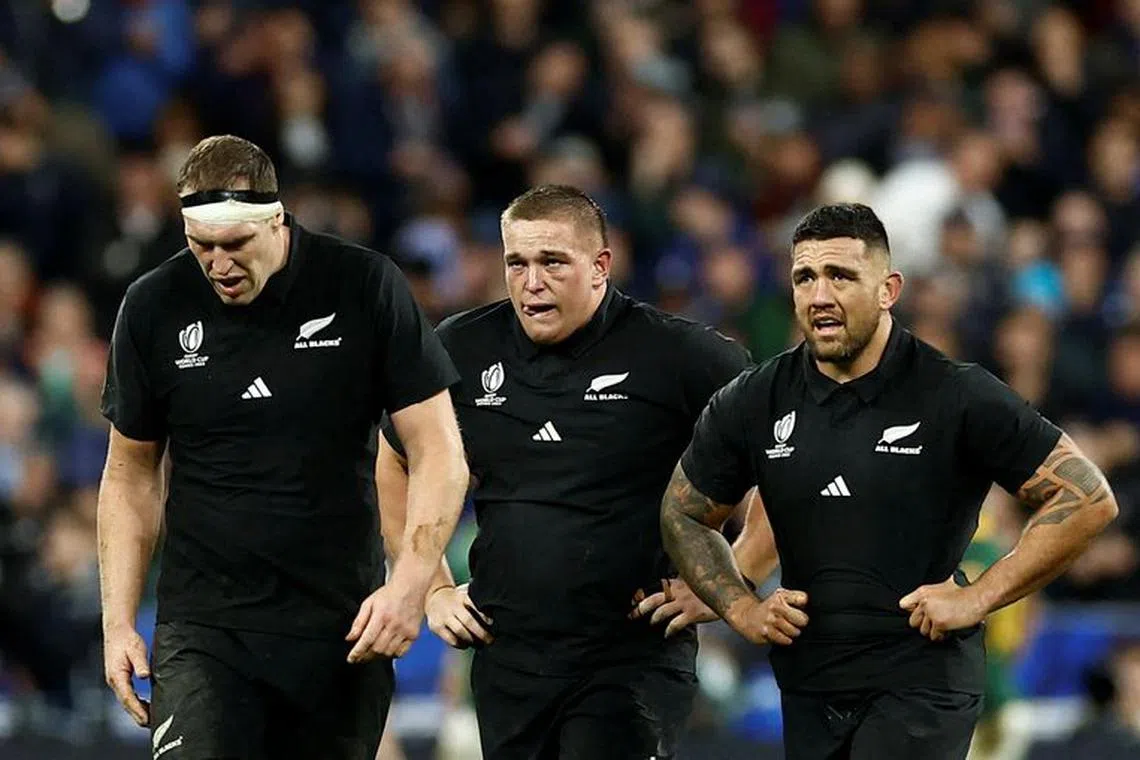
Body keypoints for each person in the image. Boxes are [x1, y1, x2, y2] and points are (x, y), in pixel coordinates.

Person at [660, 202, 1119, 760]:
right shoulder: (755, 399)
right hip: (809, 685)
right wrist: (739, 605)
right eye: (805, 277)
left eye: (840, 276)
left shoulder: (953, 393)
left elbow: (1086, 497)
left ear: (888, 289)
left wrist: (978, 597)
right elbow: (688, 511)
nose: (819, 295)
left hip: (921, 683)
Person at [97, 135, 468, 759]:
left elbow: (437, 451)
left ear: (277, 220)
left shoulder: (363, 286)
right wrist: (117, 622)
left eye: (235, 244)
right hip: (204, 630)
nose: (217, 264)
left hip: (340, 630)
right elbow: (129, 475)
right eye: (201, 245)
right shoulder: (154, 305)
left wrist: (410, 587)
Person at [377, 184, 761, 759]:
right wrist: (430, 587)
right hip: (507, 658)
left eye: (553, 262)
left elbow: (785, 456)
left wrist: (735, 586)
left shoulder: (681, 355)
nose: (532, 282)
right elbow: (393, 462)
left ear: (601, 265)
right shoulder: (462, 346)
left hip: (629, 658)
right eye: (517, 263)